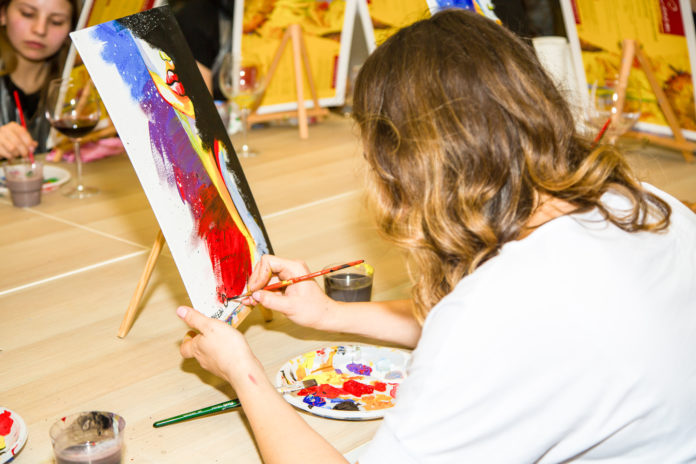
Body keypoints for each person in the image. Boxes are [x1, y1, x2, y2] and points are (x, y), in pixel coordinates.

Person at [177, 9, 696, 463]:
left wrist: (243, 374)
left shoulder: (493, 313)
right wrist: (330, 315)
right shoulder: (644, 204)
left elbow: (487, 330)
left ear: (407, 166)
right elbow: (508, 337)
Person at [0, 0, 78, 159]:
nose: (40, 30)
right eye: (27, 14)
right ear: (2, 14)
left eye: (56, 22)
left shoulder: (78, 82)